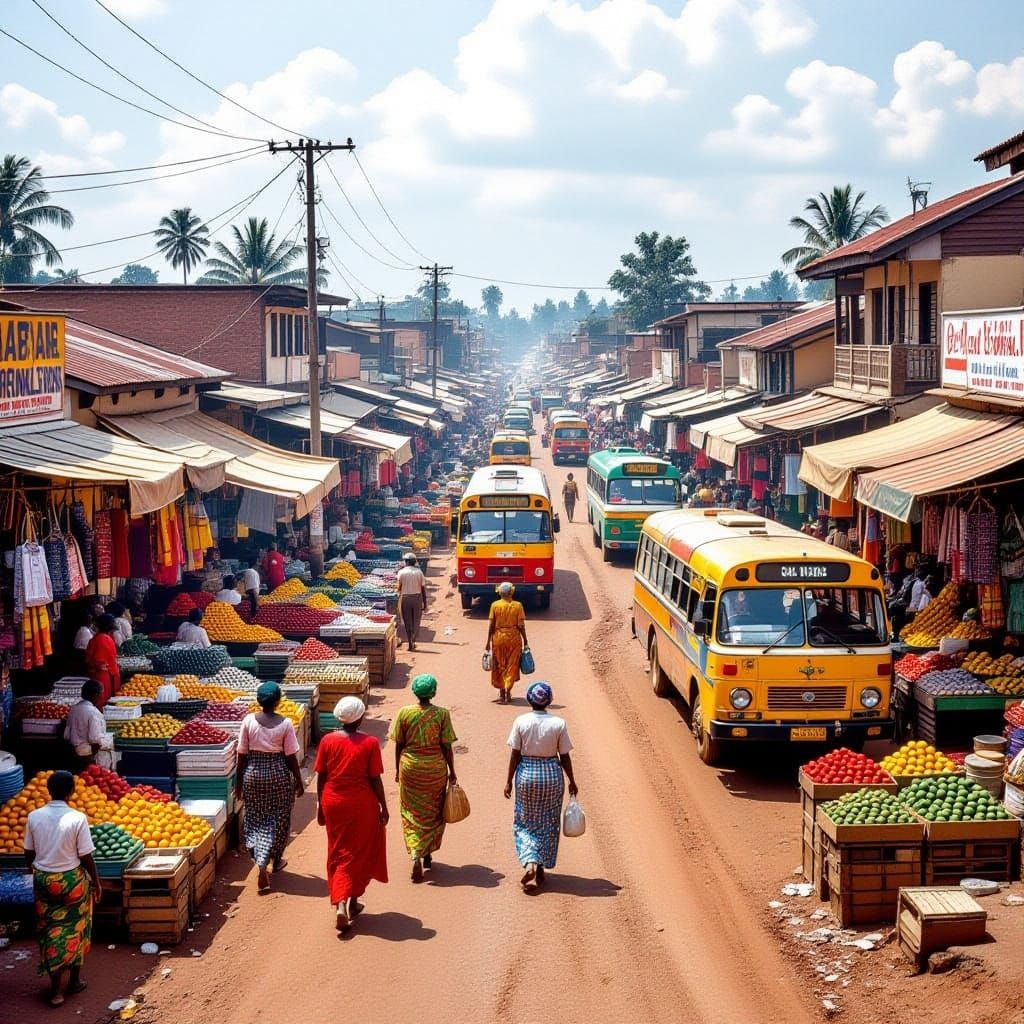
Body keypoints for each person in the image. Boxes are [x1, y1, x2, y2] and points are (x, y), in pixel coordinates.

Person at [24, 771, 102, 1007]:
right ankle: (74, 982)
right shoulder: (77, 818)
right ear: (71, 791)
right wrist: (96, 882)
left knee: (49, 929)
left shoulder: (34, 816)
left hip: (44, 880)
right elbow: (86, 856)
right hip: (71, 882)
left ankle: (56, 989)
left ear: (48, 789)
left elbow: (28, 851)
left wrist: (37, 872)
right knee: (77, 926)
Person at [316, 697, 389, 932]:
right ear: (359, 717)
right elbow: (374, 778)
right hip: (361, 803)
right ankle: (348, 901)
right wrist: (384, 806)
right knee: (359, 851)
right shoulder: (369, 743)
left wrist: (320, 804)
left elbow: (321, 776)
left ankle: (344, 902)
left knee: (338, 850)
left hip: (333, 801)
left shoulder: (327, 741)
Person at [504, 682, 578, 892]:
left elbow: (515, 754)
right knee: (548, 821)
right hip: (552, 777)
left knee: (526, 821)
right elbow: (564, 756)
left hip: (526, 775)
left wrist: (509, 780)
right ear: (550, 701)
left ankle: (530, 862)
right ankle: (541, 867)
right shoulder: (558, 723)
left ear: (529, 700)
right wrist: (572, 780)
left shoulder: (521, 721)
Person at [235, 682, 304, 894]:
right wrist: (299, 781)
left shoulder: (248, 721)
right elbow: (291, 757)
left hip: (253, 775)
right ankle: (271, 860)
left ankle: (260, 856)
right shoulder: (285, 724)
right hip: (278, 775)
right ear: (277, 702)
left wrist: (239, 784)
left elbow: (241, 755)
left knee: (255, 818)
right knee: (279, 819)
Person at [389, 675, 457, 883]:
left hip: (410, 768)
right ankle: (427, 852)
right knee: (434, 810)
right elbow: (447, 746)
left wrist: (397, 769)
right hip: (435, 769)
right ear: (433, 692)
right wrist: (452, 771)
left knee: (411, 811)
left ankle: (416, 853)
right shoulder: (442, 714)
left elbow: (399, 744)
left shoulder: (404, 713)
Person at [485, 581, 529, 705]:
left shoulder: (495, 605)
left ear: (499, 593)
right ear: (511, 592)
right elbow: (521, 626)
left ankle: (502, 693)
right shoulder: (518, 606)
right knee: (512, 665)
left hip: (498, 638)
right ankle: (508, 693)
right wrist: (525, 640)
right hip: (514, 638)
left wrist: (488, 642)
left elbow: (491, 625)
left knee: (499, 664)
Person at [65, 681, 110, 770]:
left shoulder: (74, 709)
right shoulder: (93, 712)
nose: (101, 696)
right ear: (96, 695)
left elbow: (66, 735)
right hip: (87, 754)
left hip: (73, 751)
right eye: (101, 693)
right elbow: (94, 738)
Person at [84, 614, 120, 706]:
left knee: (100, 701)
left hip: (99, 674)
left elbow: (89, 658)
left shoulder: (97, 638)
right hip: (103, 675)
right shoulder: (105, 638)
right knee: (103, 701)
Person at [396, 552, 427, 651]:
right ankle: (413, 639)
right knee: (416, 620)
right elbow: (423, 589)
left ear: (407, 562)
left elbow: (399, 587)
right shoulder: (419, 572)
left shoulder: (401, 572)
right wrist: (425, 603)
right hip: (417, 598)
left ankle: (410, 641)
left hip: (405, 598)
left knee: (407, 621)